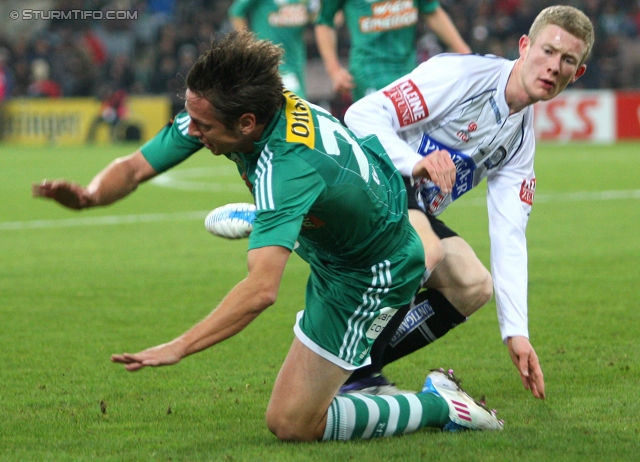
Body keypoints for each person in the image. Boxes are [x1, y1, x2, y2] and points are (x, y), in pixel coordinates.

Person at [32, 31, 502, 441]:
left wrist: (178, 346)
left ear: (247, 125)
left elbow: (260, 291)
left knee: (292, 423)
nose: (193, 132)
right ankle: (274, 225)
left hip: (366, 273)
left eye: (203, 126)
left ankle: (442, 405)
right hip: (365, 205)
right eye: (190, 118)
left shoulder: (284, 169)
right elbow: (135, 166)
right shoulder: (244, 107)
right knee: (439, 262)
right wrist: (90, 196)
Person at [340, 4, 595, 399]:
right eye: (547, 51)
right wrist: (416, 163)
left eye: (567, 61)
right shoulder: (460, 75)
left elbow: (509, 235)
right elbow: (361, 115)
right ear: (524, 46)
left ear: (576, 74)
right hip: (367, 178)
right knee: (423, 250)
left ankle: (354, 361)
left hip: (407, 209)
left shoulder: (520, 143)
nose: (553, 66)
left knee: (473, 286)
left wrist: (517, 332)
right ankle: (354, 364)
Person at [314, 0, 471, 103]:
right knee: (380, 144)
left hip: (410, 72)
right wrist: (333, 70)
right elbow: (324, 23)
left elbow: (432, 11)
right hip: (369, 75)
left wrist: (465, 53)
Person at [228, 0, 317, 99]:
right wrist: (248, 44)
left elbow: (323, 17)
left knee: (299, 104)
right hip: (271, 62)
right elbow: (236, 12)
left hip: (297, 61)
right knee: (295, 105)